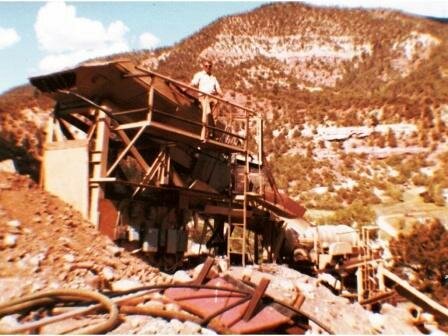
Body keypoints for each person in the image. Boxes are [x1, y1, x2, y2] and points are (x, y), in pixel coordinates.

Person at [190, 60, 223, 140]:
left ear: (211, 67)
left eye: (209, 66)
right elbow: (193, 83)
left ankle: (213, 132)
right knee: (207, 113)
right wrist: (185, 89)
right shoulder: (199, 75)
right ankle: (205, 134)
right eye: (206, 66)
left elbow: (218, 89)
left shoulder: (213, 78)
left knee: (215, 114)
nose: (208, 68)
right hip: (204, 96)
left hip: (212, 97)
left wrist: (221, 95)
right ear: (203, 66)